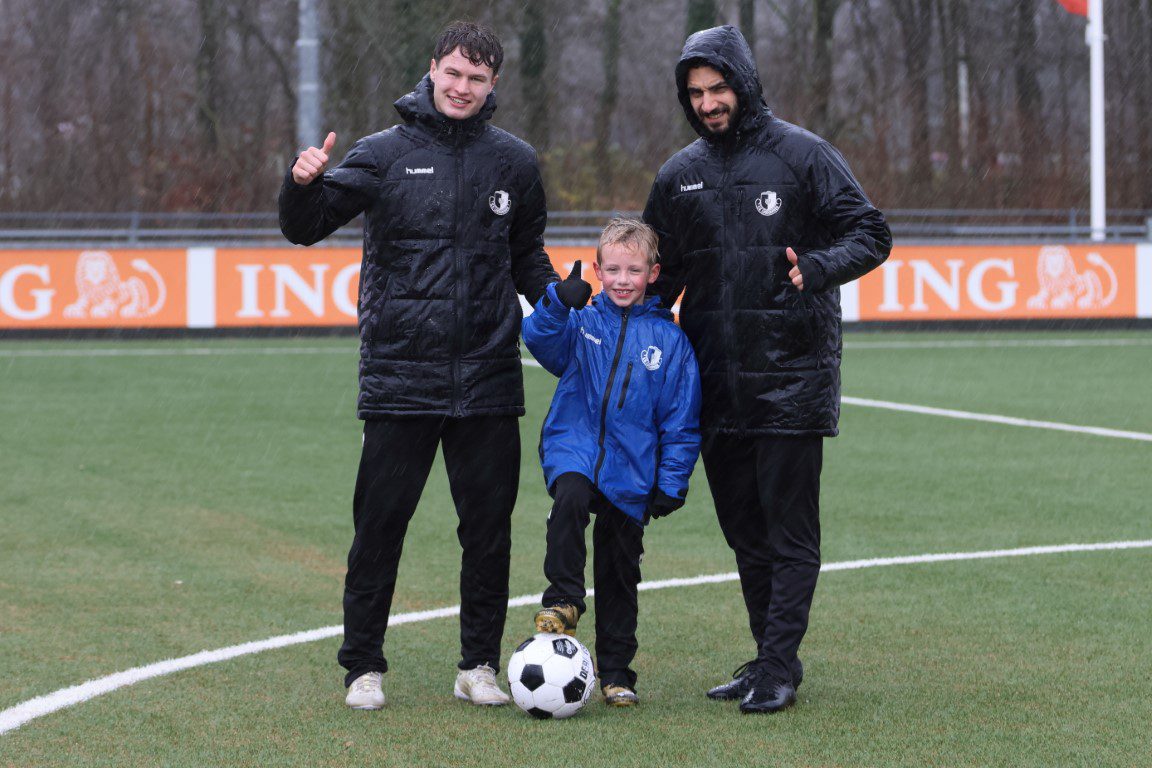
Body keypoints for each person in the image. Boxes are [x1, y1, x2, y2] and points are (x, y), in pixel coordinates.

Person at [278, 21, 559, 710]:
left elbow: (527, 258)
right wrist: (301, 184)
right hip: (401, 376)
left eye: (477, 78)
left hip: (489, 377)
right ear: (433, 69)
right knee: (379, 528)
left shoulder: (515, 162)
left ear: (493, 85)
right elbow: (305, 226)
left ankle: (478, 667)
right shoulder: (383, 153)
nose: (462, 87)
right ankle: (363, 668)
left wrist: (562, 299)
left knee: (488, 534)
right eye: (453, 73)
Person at [642, 25, 892, 714]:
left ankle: (779, 668)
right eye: (696, 93)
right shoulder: (677, 174)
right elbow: (660, 277)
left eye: (718, 87)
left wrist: (818, 266)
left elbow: (872, 233)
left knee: (789, 536)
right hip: (714, 386)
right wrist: (618, 322)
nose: (708, 103)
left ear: (744, 83)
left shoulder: (804, 155)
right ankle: (767, 658)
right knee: (746, 535)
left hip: (791, 381)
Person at [521, 218, 702, 707]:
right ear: (598, 271)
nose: (623, 280)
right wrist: (558, 301)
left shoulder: (671, 342)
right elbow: (538, 339)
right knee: (570, 498)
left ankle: (617, 672)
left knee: (620, 570)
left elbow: (681, 420)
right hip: (575, 446)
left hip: (632, 467)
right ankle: (563, 599)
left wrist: (672, 481)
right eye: (614, 270)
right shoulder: (581, 322)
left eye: (634, 271)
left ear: (653, 274)